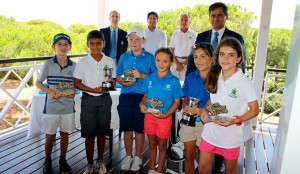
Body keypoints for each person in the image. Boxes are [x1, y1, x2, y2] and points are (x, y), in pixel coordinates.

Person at [198, 38, 259, 174]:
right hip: (210, 132)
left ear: (238, 59)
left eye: (231, 55)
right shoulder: (214, 75)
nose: (225, 58)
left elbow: (255, 110)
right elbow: (211, 100)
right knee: (202, 168)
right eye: (222, 54)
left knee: (230, 170)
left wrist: (236, 120)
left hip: (231, 136)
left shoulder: (244, 82)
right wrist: (205, 111)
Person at [73, 30, 116, 174]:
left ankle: (100, 161)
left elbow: (112, 81)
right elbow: (77, 83)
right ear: (87, 44)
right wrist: (94, 90)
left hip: (104, 100)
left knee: (102, 133)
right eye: (92, 43)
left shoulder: (109, 61)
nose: (95, 46)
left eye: (98, 43)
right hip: (88, 100)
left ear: (103, 44)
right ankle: (90, 163)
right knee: (89, 134)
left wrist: (102, 89)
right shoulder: (82, 62)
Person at [116, 26, 156, 172]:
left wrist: (141, 75)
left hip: (143, 96)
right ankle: (128, 156)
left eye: (137, 39)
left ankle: (138, 157)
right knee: (127, 128)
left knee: (139, 129)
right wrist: (122, 82)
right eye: (131, 39)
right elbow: (118, 75)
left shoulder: (150, 57)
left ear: (143, 41)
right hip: (126, 95)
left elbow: (156, 77)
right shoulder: (124, 57)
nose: (133, 42)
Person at [36, 33, 76, 174]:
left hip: (67, 107)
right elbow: (38, 83)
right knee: (50, 135)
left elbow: (76, 84)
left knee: (65, 134)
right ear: (54, 47)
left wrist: (74, 91)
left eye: (66, 44)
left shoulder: (74, 65)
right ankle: (47, 160)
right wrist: (50, 92)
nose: (63, 47)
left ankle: (62, 159)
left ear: (70, 47)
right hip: (51, 107)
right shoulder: (48, 64)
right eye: (59, 44)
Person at [140, 48, 183, 174]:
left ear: (171, 63)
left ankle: (159, 170)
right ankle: (152, 168)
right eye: (158, 60)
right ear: (155, 61)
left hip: (165, 118)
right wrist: (142, 104)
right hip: (149, 116)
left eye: (165, 61)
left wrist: (166, 115)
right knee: (152, 144)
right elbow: (145, 96)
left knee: (162, 146)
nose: (161, 64)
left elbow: (177, 102)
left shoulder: (174, 81)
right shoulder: (149, 78)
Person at [178, 43, 213, 174]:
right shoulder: (190, 77)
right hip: (189, 122)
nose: (199, 60)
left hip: (208, 124)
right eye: (196, 57)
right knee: (189, 156)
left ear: (212, 58)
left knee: (205, 162)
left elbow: (218, 103)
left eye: (203, 56)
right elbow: (185, 97)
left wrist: (202, 110)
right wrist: (185, 105)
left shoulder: (217, 78)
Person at [186, 2, 246, 77]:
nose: (216, 19)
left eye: (220, 15)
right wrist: (187, 80)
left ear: (226, 16)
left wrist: (239, 83)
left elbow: (241, 63)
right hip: (204, 80)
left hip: (226, 81)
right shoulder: (201, 36)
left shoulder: (236, 38)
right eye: (213, 16)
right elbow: (192, 59)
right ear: (209, 17)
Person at [169, 13, 197, 81]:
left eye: (186, 20)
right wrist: (177, 63)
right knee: (174, 84)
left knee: (186, 83)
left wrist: (185, 63)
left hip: (188, 62)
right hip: (176, 62)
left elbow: (195, 50)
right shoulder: (175, 34)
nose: (184, 22)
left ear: (189, 22)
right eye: (182, 20)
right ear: (179, 21)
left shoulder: (194, 34)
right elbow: (171, 49)